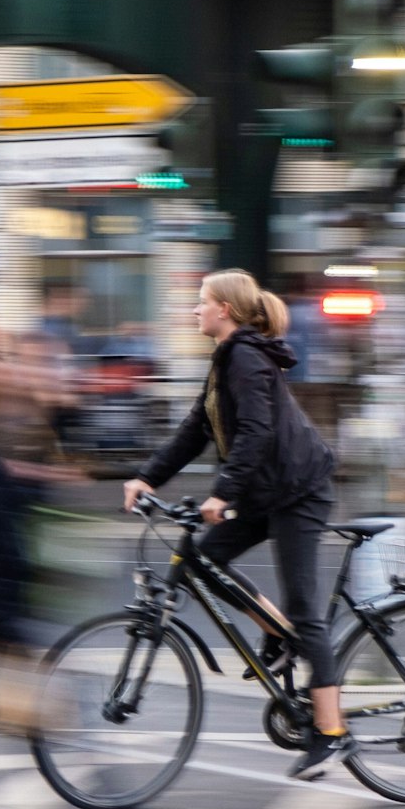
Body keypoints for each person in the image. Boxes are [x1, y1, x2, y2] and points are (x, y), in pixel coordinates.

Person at [122, 268, 347, 780]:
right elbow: (195, 429)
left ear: (224, 309)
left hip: (298, 493)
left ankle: (332, 734)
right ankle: (279, 634)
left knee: (306, 612)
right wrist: (146, 478)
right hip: (267, 490)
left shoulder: (245, 358)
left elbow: (256, 433)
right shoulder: (226, 360)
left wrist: (222, 493)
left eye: (201, 301)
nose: (194, 309)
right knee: (204, 558)